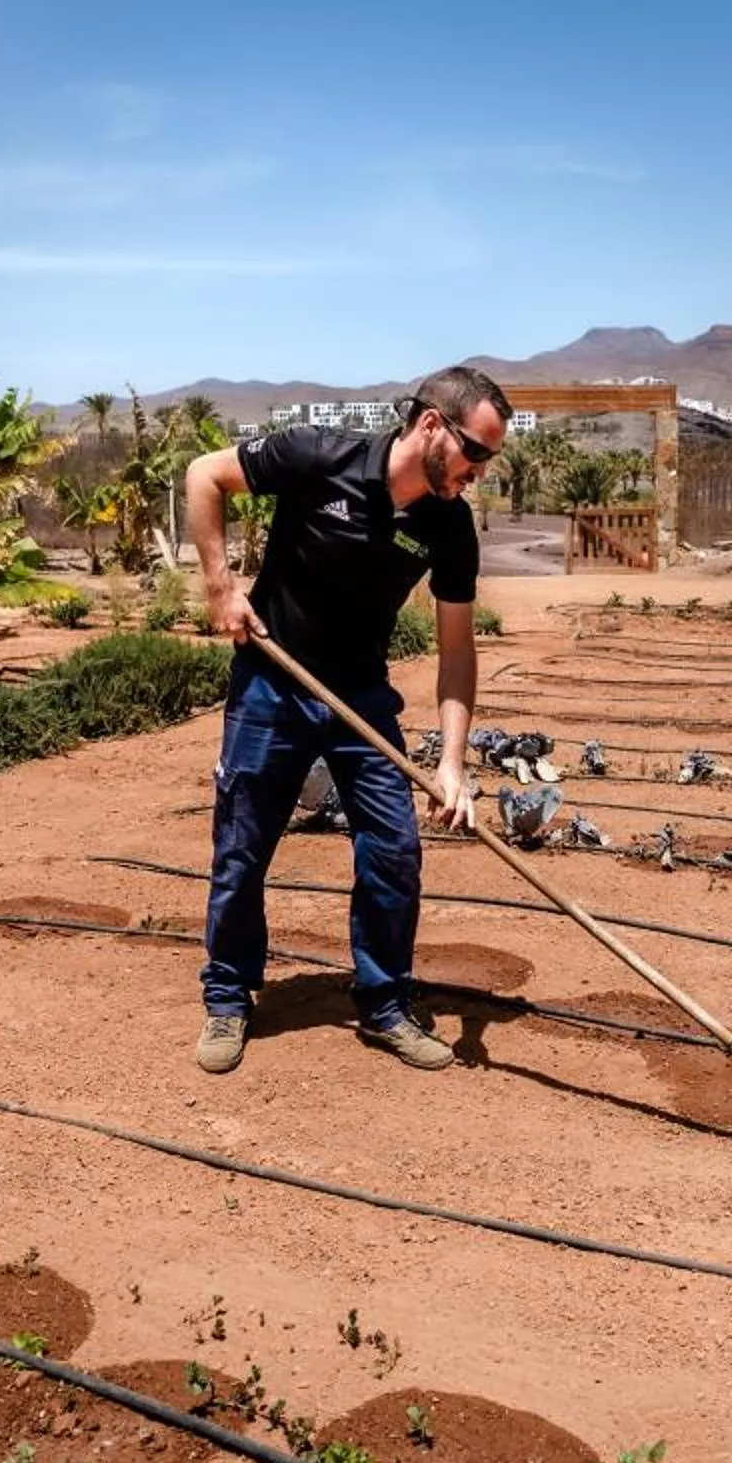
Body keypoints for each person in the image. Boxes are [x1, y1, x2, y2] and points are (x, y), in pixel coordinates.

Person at [179, 366, 509, 1074]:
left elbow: (457, 651)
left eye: (489, 459)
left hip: (360, 698)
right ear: (430, 426)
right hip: (274, 682)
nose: (478, 472)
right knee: (242, 849)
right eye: (475, 453)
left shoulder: (448, 527)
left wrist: (451, 763)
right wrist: (219, 587)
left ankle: (385, 1003)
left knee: (394, 850)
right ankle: (229, 997)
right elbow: (204, 475)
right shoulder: (317, 455)